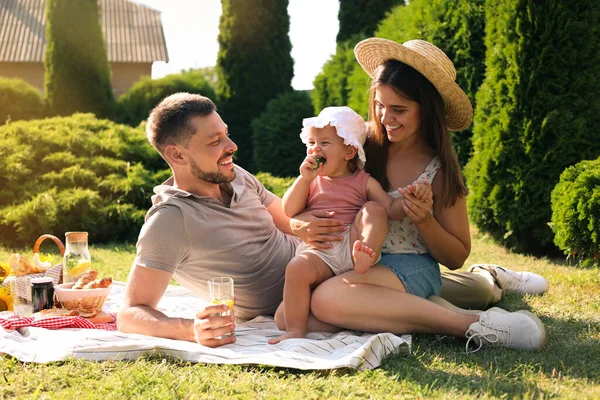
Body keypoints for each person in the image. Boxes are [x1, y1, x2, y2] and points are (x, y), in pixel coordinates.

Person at [299, 38, 548, 351]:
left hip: (410, 266)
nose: (385, 118)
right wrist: (302, 223)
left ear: (426, 109)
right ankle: (439, 309)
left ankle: (475, 325)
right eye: (379, 105)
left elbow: (456, 256)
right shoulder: (357, 147)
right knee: (294, 315)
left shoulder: (438, 170)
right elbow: (311, 191)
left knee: (325, 300)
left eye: (399, 109)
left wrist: (425, 220)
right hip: (351, 265)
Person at [269, 106, 431, 344]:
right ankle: (295, 328)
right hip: (321, 251)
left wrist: (410, 200)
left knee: (373, 210)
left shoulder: (363, 181)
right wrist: (304, 179)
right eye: (311, 142)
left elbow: (390, 209)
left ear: (348, 151)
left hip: (353, 243)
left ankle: (367, 255)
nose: (315, 148)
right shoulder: (311, 180)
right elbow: (289, 209)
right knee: (292, 282)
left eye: (324, 143)